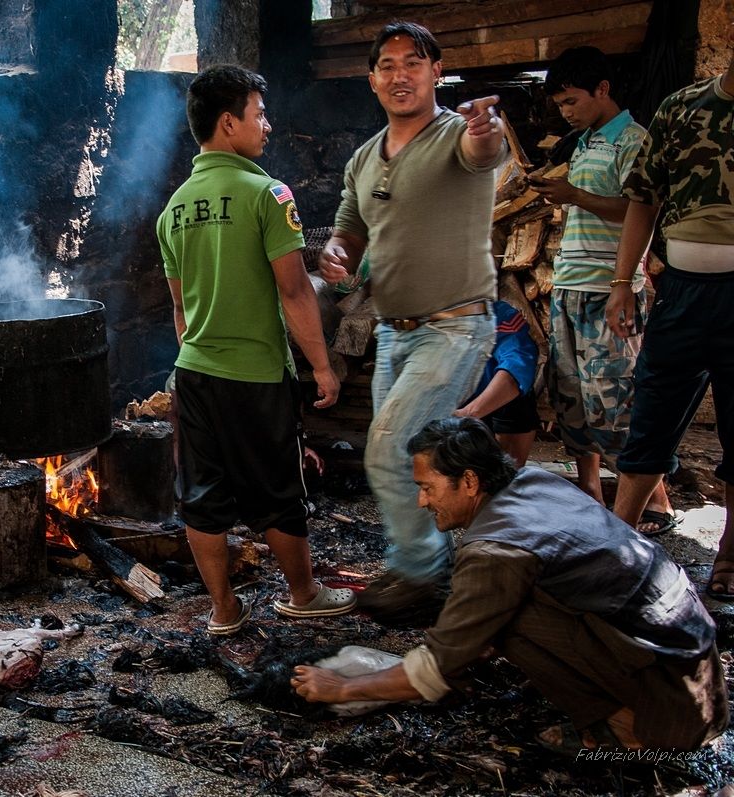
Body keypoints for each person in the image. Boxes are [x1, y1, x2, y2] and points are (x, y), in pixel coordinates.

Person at [291, 417, 728, 754]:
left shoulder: (493, 551)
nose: (421, 501)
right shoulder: (534, 481)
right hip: (694, 672)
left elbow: (437, 668)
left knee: (500, 616)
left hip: (674, 708)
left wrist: (343, 688)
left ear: (469, 481)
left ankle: (627, 732)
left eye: (427, 487)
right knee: (492, 612)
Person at [318, 21, 508, 625]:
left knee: (388, 449)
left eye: (414, 63)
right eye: (388, 65)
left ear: (436, 73)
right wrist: (337, 256)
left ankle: (419, 572)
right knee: (421, 458)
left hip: (455, 326)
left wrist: (487, 129)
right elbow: (349, 228)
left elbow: (487, 151)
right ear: (372, 78)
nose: (400, 75)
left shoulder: (458, 134)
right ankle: (452, 560)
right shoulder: (364, 157)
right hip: (394, 331)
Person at [156, 64, 355, 636]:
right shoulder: (269, 194)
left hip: (193, 374)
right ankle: (303, 593)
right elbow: (294, 290)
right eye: (258, 113)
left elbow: (179, 309)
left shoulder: (173, 209)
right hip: (257, 377)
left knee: (202, 496)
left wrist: (197, 354)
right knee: (278, 490)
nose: (266, 125)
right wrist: (320, 366)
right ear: (228, 122)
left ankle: (223, 610)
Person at [606, 9, 734, 600]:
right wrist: (621, 281)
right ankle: (615, 550)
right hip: (680, 292)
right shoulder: (683, 107)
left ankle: (728, 564)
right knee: (652, 415)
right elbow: (642, 199)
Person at [530, 46, 676, 534]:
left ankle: (656, 500)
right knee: (570, 394)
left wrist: (576, 196)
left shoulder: (634, 140)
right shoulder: (585, 139)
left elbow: (640, 210)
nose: (566, 111)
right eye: (561, 104)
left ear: (603, 90)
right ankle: (590, 490)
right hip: (570, 282)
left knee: (615, 399)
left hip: (610, 286)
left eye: (572, 101)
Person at [453, 300, 539, 466]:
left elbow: (516, 365)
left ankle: (508, 472)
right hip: (442, 405)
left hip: (481, 411)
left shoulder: (498, 315)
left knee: (518, 398)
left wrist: (467, 414)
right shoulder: (413, 320)